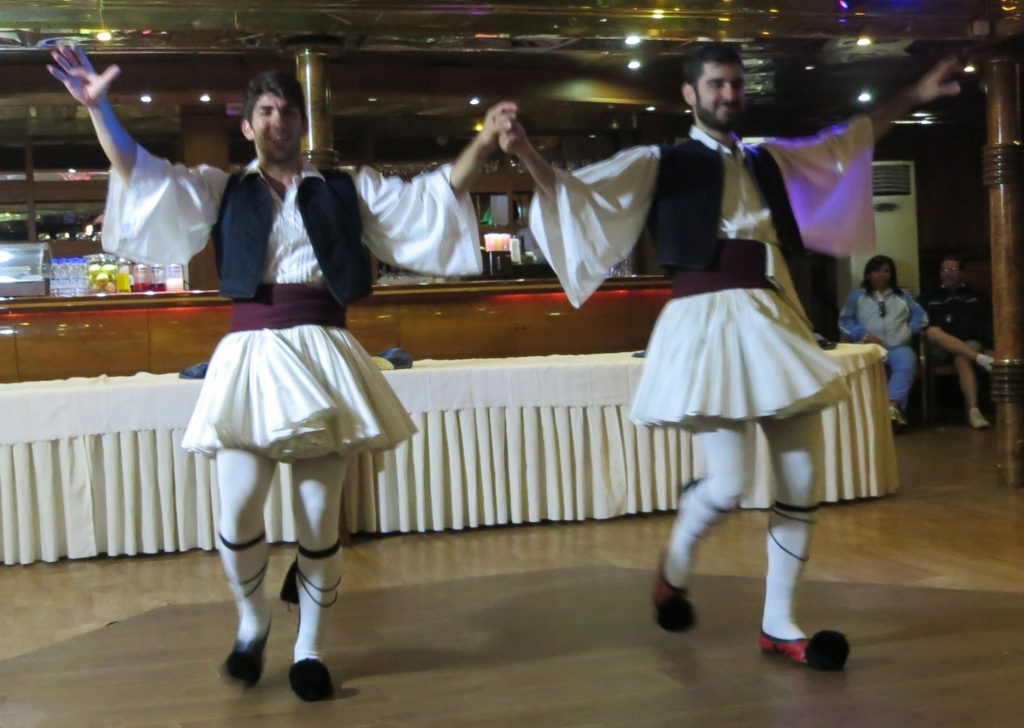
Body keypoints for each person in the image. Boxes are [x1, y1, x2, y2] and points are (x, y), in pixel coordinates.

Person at [48, 45, 514, 701]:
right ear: (248, 126)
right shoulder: (222, 187)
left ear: (302, 124)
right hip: (249, 355)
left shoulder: (346, 188)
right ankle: (253, 618)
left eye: (288, 111)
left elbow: (430, 198)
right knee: (236, 508)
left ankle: (310, 648)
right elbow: (141, 174)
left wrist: (486, 141)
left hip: (323, 348)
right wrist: (102, 111)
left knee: (319, 514)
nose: (277, 121)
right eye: (265, 111)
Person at [498, 43, 960, 670]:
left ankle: (778, 623)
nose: (728, 95)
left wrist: (913, 96)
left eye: (736, 84)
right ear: (689, 94)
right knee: (728, 484)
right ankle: (680, 555)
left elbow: (843, 142)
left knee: (801, 482)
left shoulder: (765, 157)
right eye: (716, 84)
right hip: (706, 323)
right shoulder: (659, 160)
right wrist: (524, 150)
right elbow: (577, 193)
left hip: (773, 318)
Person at [839, 255, 927, 430]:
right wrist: (863, 335)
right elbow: (844, 321)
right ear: (869, 274)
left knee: (907, 363)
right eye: (877, 271)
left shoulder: (903, 296)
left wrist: (908, 331)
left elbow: (922, 317)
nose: (882, 275)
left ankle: (891, 408)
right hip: (868, 348)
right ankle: (873, 416)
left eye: (886, 271)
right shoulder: (857, 296)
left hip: (897, 346)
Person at [917, 254, 994, 428]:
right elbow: (919, 324)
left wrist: (988, 346)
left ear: (962, 273)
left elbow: (987, 324)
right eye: (944, 270)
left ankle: (974, 411)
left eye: (952, 270)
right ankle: (980, 359)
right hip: (938, 348)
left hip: (969, 344)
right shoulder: (928, 297)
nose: (948, 274)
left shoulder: (976, 297)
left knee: (962, 358)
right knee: (933, 331)